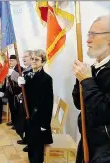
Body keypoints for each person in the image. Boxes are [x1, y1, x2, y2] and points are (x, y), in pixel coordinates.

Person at [72, 15, 110, 163]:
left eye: (94, 34)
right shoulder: (95, 68)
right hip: (88, 141)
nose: (88, 40)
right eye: (89, 34)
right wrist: (80, 78)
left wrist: (87, 81)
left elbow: (104, 113)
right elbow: (78, 103)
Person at [18, 49, 53, 163]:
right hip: (29, 116)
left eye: (37, 60)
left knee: (38, 148)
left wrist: (45, 124)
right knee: (31, 145)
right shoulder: (27, 75)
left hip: (39, 118)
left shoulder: (46, 79)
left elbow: (48, 103)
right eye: (32, 59)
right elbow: (27, 94)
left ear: (43, 62)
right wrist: (21, 85)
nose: (33, 61)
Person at [15, 50, 32, 152]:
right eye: (23, 57)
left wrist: (14, 74)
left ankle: (30, 143)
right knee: (24, 123)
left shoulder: (31, 71)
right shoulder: (26, 70)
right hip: (24, 100)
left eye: (26, 57)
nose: (23, 59)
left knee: (28, 123)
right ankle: (26, 139)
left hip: (30, 102)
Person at [6, 55, 23, 129]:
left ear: (16, 60)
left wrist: (13, 73)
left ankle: (16, 124)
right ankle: (13, 121)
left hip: (16, 92)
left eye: (12, 60)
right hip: (10, 91)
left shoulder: (20, 68)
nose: (10, 62)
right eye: (10, 60)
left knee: (16, 108)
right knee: (11, 107)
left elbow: (20, 80)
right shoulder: (9, 68)